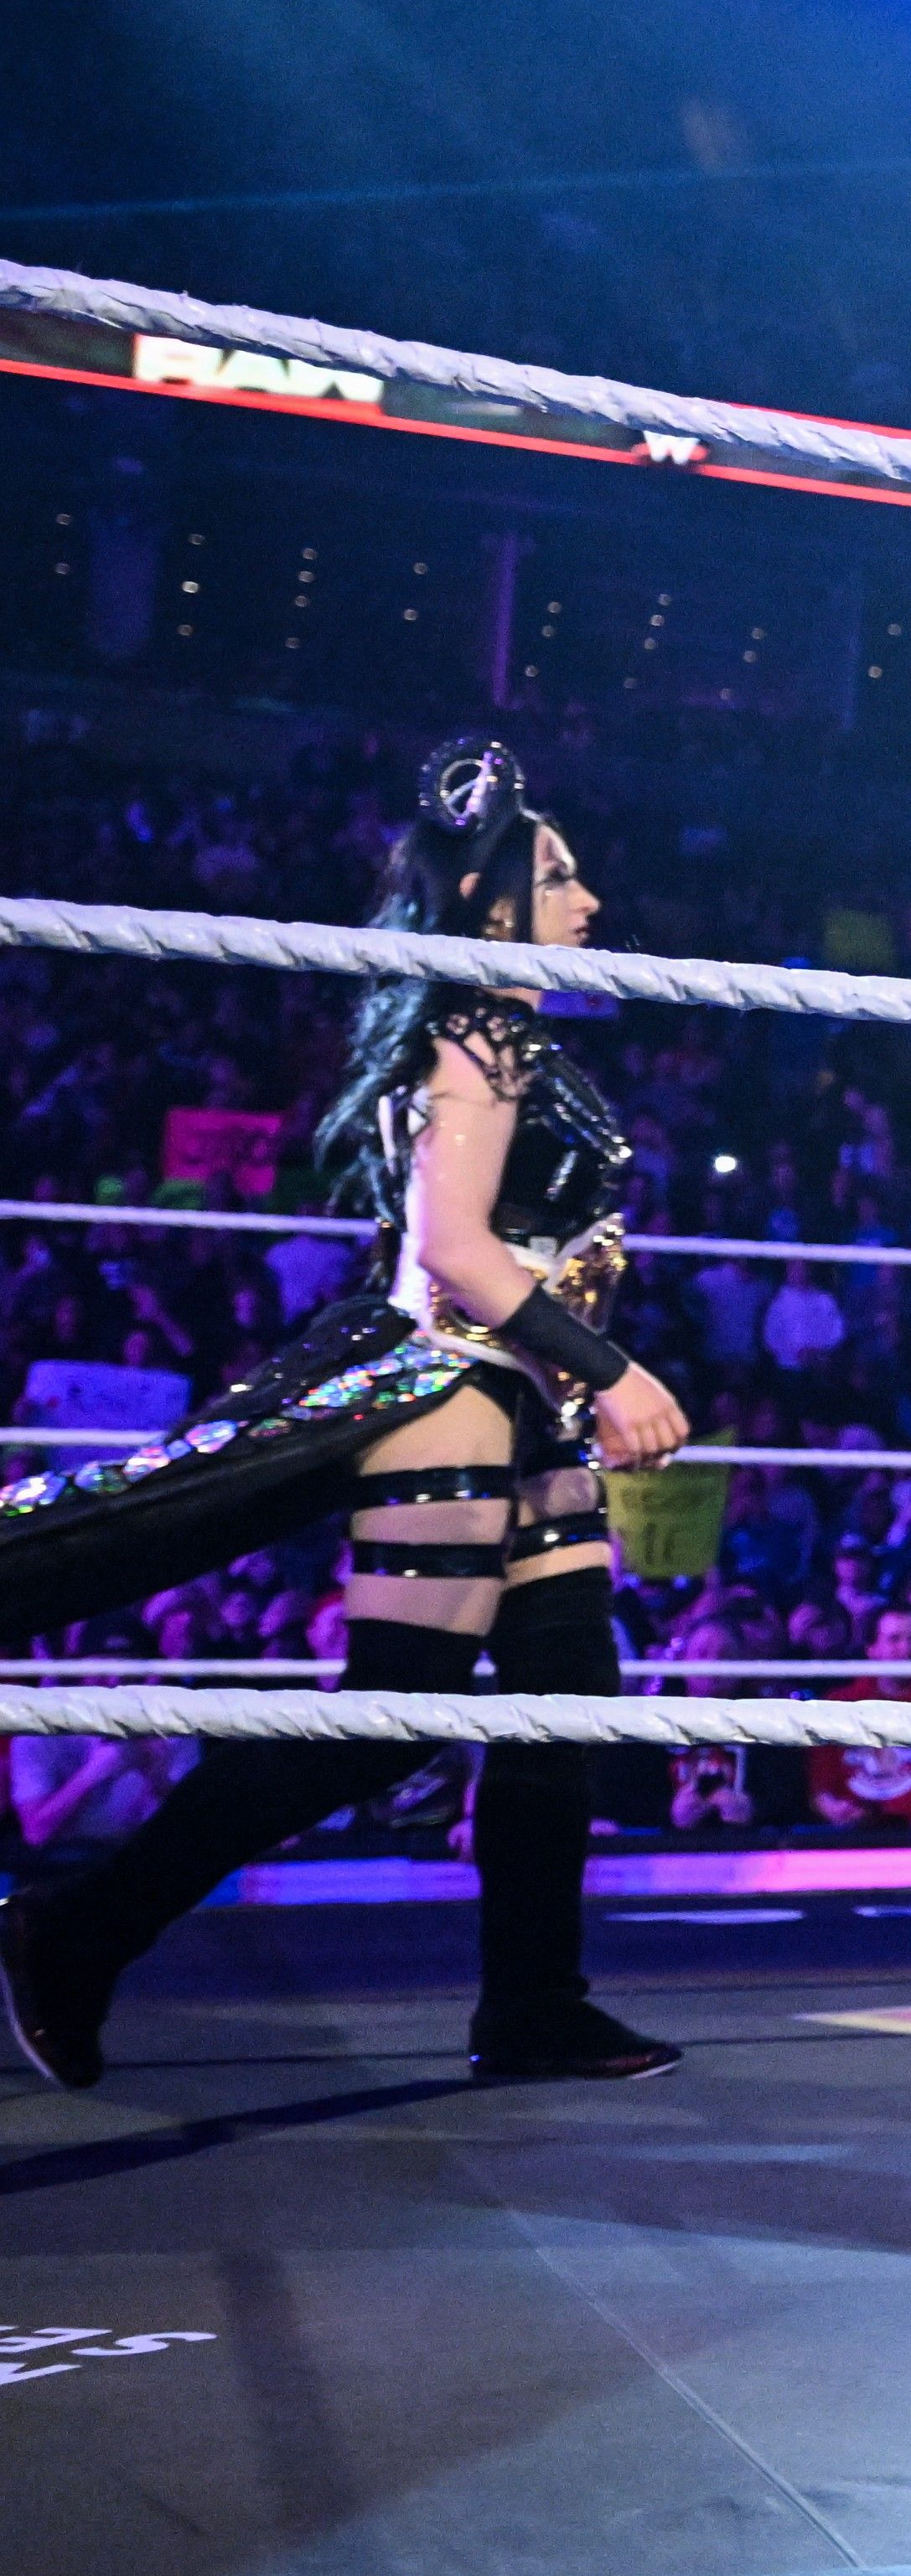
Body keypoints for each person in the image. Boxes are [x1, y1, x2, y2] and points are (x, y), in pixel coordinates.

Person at [0, 741, 691, 2090]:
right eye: (558, 875)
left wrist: (576, 1373)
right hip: (453, 1387)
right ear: (489, 901)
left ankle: (536, 2002)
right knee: (394, 1714)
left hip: (523, 1396)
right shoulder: (478, 1031)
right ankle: (80, 1928)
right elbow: (451, 1244)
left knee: (564, 1698)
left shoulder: (515, 1033)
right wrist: (610, 1370)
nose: (590, 899)